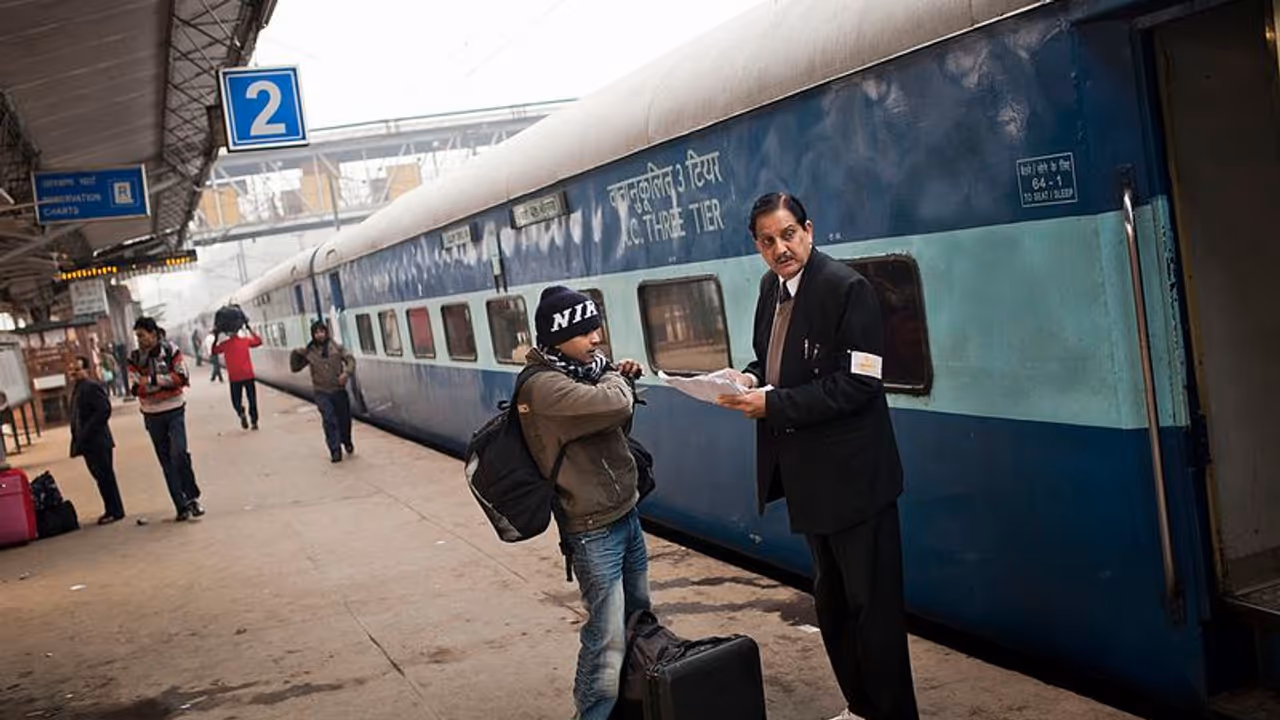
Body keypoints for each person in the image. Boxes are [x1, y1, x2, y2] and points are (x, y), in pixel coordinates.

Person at [717, 193, 918, 720]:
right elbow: (773, 358)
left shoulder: (847, 289)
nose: (780, 248)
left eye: (787, 234)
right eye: (767, 241)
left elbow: (861, 383)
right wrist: (751, 377)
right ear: (757, 246)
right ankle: (861, 706)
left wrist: (774, 402)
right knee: (832, 607)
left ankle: (893, 713)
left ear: (807, 230)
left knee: (873, 612)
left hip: (857, 482)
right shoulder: (770, 288)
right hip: (809, 479)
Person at [517, 286, 648, 720]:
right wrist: (617, 375)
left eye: (596, 326)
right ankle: (592, 714)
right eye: (585, 330)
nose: (597, 337)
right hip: (593, 529)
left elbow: (617, 418)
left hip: (624, 513)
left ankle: (634, 703)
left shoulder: (583, 370)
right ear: (557, 336)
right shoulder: (545, 387)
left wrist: (611, 375)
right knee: (606, 637)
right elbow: (614, 402)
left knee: (638, 619)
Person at [127, 317, 205, 522]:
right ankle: (181, 507)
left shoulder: (171, 350)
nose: (140, 340)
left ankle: (192, 497)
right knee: (167, 462)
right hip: (152, 416)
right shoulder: (134, 358)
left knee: (179, 453)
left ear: (153, 334)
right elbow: (135, 388)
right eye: (137, 337)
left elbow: (182, 377)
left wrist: (151, 380)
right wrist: (165, 382)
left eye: (142, 336)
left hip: (175, 410)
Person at [289, 321, 356, 463]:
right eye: (316, 332)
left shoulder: (336, 348)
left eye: (322, 332)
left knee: (344, 421)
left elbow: (350, 359)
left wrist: (347, 373)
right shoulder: (310, 352)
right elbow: (295, 368)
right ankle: (335, 451)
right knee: (329, 419)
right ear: (313, 335)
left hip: (339, 390)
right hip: (322, 392)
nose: (320, 335)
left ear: (326, 332)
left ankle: (347, 441)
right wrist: (295, 354)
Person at [68, 356, 125, 524]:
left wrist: (87, 430)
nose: (74, 373)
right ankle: (112, 509)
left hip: (98, 441)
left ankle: (115, 511)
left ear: (86, 370)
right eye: (72, 370)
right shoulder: (79, 388)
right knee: (100, 477)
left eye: (77, 369)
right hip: (88, 443)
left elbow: (104, 409)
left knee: (105, 477)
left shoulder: (91, 387)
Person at [212, 327, 263, 430]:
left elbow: (213, 351)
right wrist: (250, 329)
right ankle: (254, 422)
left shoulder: (225, 345)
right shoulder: (245, 341)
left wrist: (216, 336)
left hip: (235, 377)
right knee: (252, 399)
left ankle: (241, 412)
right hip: (248, 375)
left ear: (228, 334)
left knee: (236, 400)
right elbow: (259, 341)